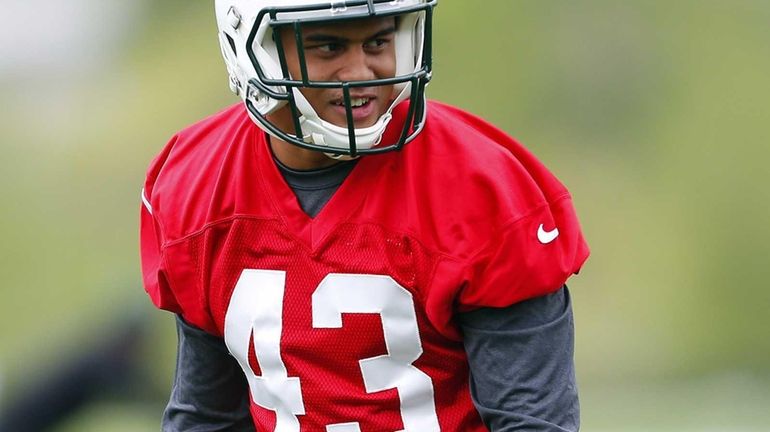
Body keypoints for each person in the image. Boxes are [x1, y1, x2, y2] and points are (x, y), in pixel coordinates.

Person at [139, 0, 590, 431]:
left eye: (377, 42)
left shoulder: (477, 183)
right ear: (256, 51)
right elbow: (208, 416)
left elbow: (532, 421)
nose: (360, 72)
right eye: (329, 46)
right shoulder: (201, 183)